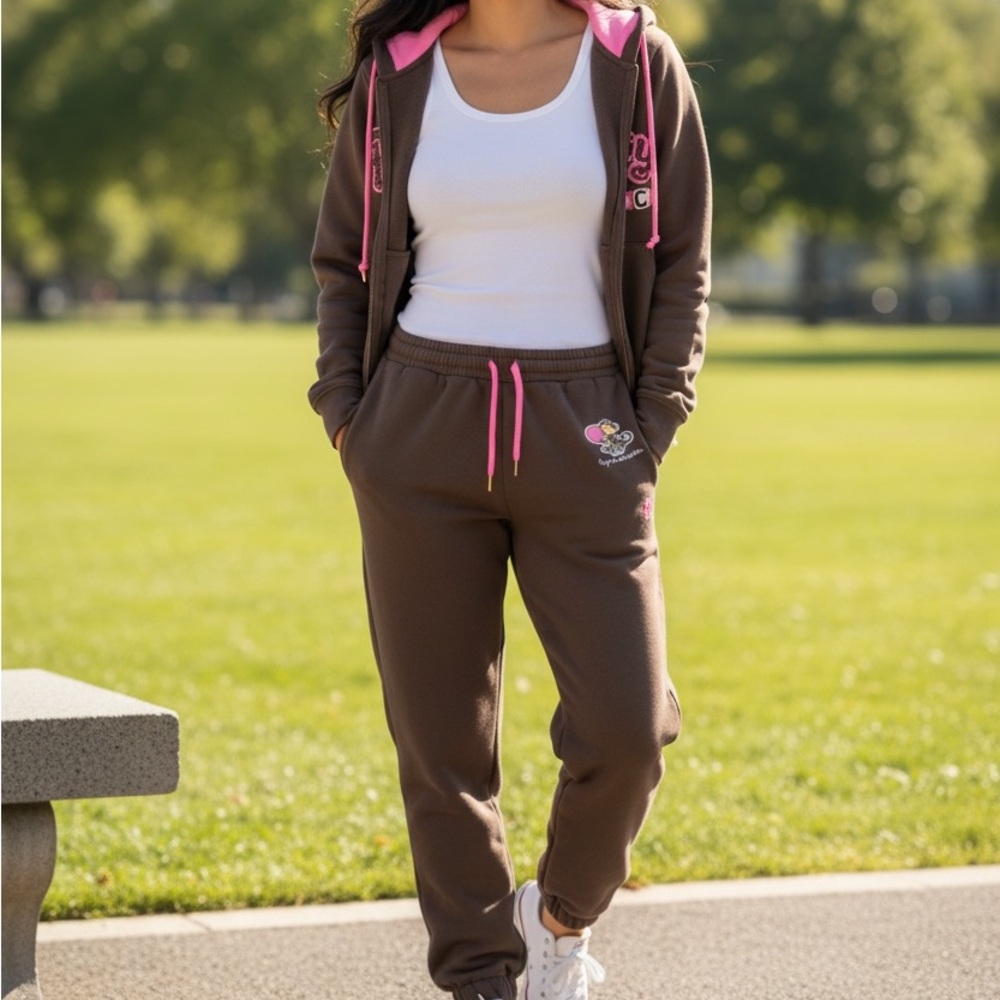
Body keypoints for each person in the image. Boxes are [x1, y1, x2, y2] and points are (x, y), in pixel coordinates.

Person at [308, 1, 711, 997]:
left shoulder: (633, 62)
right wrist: (352, 418)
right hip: (416, 424)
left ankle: (558, 917)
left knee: (628, 726)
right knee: (440, 746)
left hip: (590, 426)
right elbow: (341, 261)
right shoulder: (397, 74)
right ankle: (483, 978)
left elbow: (681, 259)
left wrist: (645, 429)